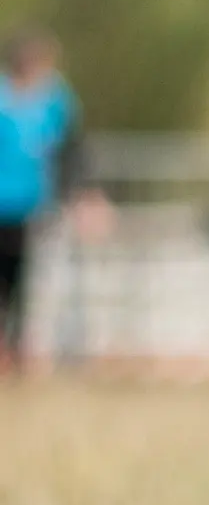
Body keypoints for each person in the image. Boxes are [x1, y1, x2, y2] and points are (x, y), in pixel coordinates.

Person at [0, 28, 106, 373]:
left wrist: (86, 194)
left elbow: (73, 148)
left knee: (24, 282)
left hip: (31, 206)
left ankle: (17, 355)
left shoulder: (54, 99)